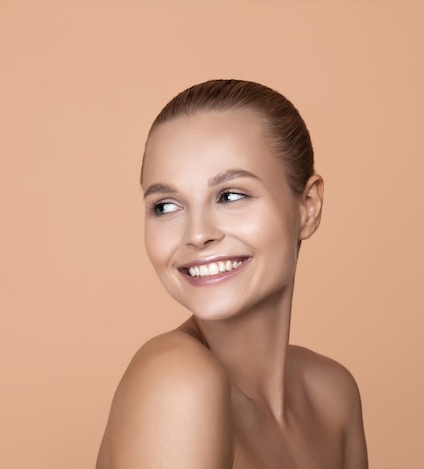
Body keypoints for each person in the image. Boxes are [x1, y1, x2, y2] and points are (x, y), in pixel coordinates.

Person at [96, 79, 368, 469]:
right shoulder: (177, 382)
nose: (198, 234)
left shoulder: (333, 394)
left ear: (307, 205)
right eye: (166, 206)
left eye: (230, 196)